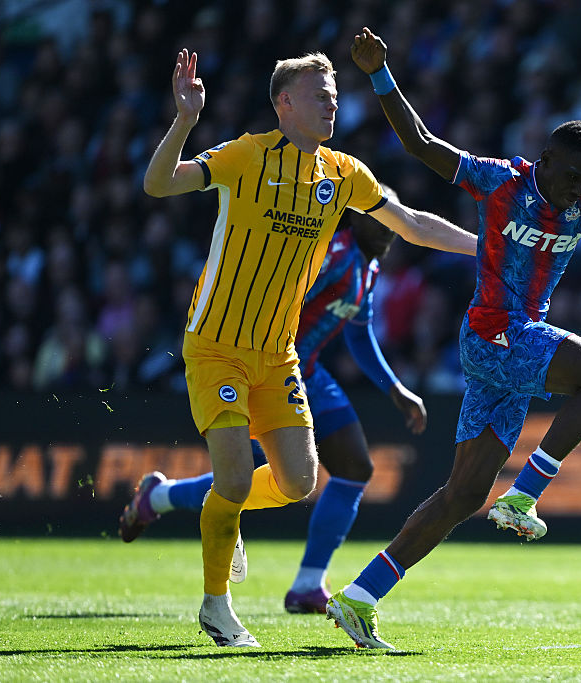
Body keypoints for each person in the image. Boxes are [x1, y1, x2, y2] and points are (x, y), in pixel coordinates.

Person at [325, 28, 581, 649]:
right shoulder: (501, 180)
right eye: (570, 177)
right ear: (545, 160)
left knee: (462, 493)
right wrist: (379, 76)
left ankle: (359, 597)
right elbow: (422, 145)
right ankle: (527, 493)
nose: (577, 190)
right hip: (493, 336)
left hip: (507, 348)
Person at [141, 48, 476, 648]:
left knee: (299, 483)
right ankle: (216, 606)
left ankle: (225, 510)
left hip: (278, 354)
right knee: (237, 480)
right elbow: (159, 183)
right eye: (319, 92)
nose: (332, 101)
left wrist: (487, 248)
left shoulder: (343, 173)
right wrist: (185, 121)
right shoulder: (246, 154)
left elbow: (410, 222)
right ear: (284, 103)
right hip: (216, 346)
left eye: (335, 92)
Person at [118, 186, 432, 616]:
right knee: (239, 480)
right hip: (268, 370)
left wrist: (394, 388)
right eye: (382, 217)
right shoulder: (332, 254)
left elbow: (359, 333)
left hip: (311, 374)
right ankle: (159, 498)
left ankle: (307, 585)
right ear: (356, 218)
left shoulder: (369, 267)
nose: (392, 228)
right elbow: (280, 293)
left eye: (396, 218)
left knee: (355, 467)